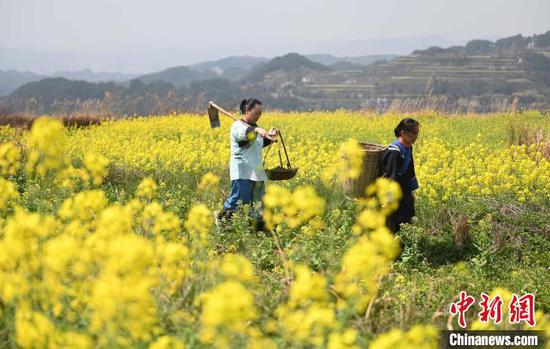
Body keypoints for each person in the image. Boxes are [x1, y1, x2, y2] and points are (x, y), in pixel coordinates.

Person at [217, 98, 278, 232]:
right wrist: (256, 131)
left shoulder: (255, 128)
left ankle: (258, 229)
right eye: (256, 113)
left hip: (256, 171)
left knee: (259, 202)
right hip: (242, 171)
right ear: (247, 110)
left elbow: (257, 145)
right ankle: (223, 222)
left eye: (260, 113)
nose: (258, 116)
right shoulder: (238, 126)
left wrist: (270, 137)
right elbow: (243, 138)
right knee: (239, 199)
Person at [380, 118, 420, 233]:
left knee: (407, 220)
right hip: (393, 194)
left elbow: (410, 171)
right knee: (393, 224)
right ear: (403, 133)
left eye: (417, 132)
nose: (416, 136)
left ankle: (405, 247)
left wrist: (411, 192)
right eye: (414, 133)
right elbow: (390, 177)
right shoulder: (395, 151)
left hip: (403, 191)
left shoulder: (408, 148)